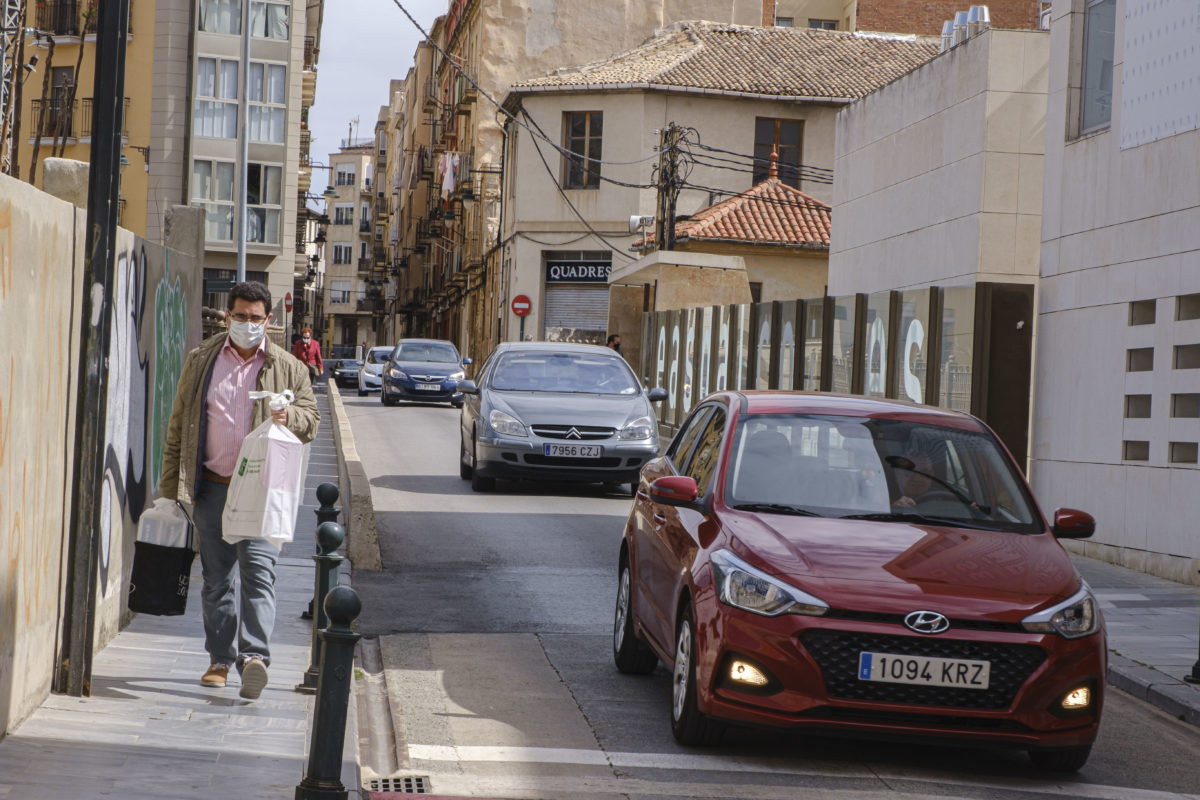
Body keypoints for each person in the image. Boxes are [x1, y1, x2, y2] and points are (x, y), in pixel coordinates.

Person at [159, 281, 320, 700]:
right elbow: (179, 426)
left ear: (269, 320)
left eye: (256, 318)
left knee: (259, 575)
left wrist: (289, 416)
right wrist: (168, 488)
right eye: (240, 316)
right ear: (227, 315)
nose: (248, 324)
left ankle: (255, 658)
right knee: (216, 581)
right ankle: (219, 659)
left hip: (263, 492)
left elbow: (312, 419)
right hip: (212, 488)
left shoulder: (289, 367)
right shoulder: (202, 361)